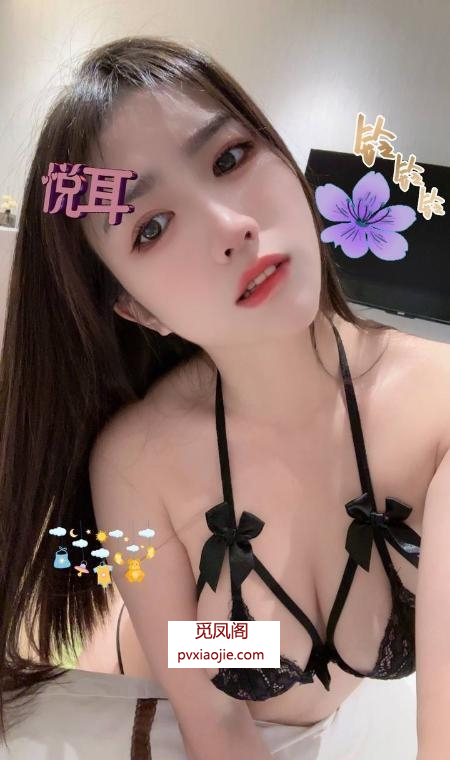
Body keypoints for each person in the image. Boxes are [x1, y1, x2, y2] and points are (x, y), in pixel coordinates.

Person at [0, 32, 445, 760]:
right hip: (144, 683)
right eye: (151, 227)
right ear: (136, 309)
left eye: (230, 158)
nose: (231, 228)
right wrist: (240, 638)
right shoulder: (137, 461)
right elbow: (212, 718)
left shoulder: (437, 407)